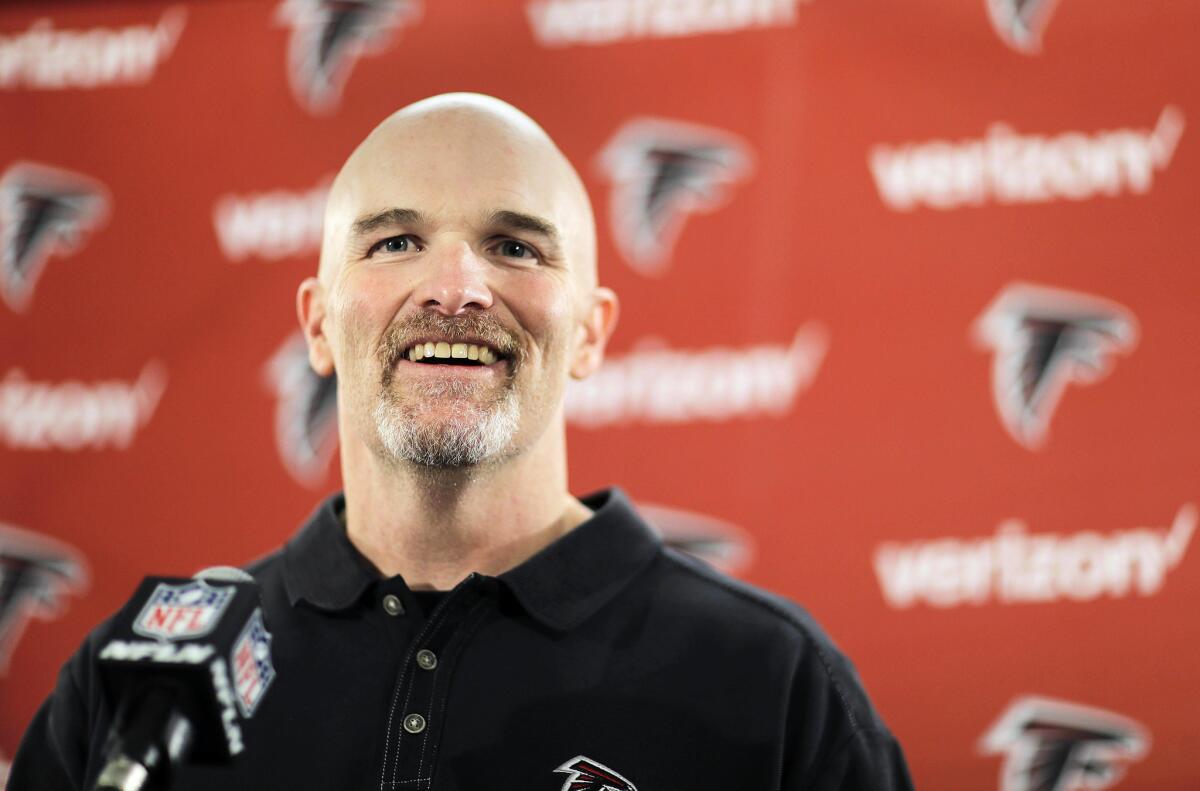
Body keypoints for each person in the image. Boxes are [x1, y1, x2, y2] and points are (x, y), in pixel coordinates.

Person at [11, 94, 913, 790]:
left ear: (592, 334)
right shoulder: (132, 687)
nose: (455, 287)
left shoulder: (775, 683)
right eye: (396, 240)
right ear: (318, 324)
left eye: (516, 248)